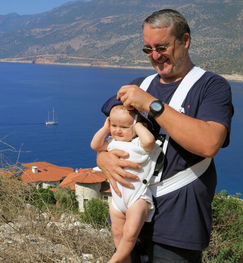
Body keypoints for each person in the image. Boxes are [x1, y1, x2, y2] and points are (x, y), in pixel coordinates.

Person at [96, 9, 234, 263]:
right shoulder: (139, 85)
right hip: (130, 220)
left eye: (161, 47)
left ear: (185, 40)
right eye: (148, 49)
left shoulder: (211, 87)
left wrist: (151, 104)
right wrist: (102, 158)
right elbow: (110, 130)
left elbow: (209, 143)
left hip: (178, 228)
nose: (155, 56)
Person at [91, 105, 162, 263]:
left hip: (137, 198)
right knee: (117, 233)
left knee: (130, 233)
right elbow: (95, 145)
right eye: (114, 126)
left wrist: (138, 126)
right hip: (117, 200)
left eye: (124, 127)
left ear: (136, 127)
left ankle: (115, 259)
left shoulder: (140, 145)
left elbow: (150, 141)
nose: (118, 130)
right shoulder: (111, 143)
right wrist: (105, 128)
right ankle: (124, 260)